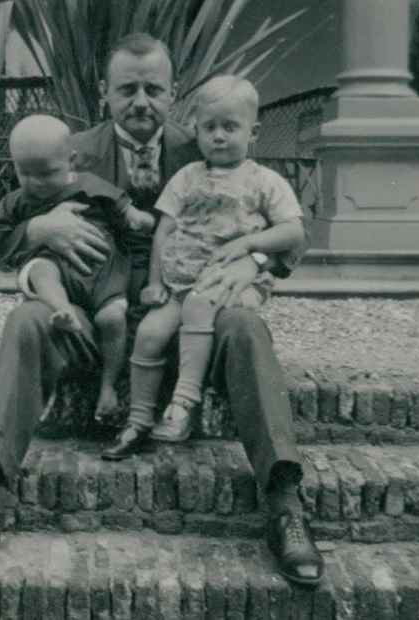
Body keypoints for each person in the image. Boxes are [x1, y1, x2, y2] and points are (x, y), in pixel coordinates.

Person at [0, 33, 324, 587]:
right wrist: (38, 228)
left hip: (188, 325)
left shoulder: (209, 144)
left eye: (153, 89)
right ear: (104, 93)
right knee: (25, 319)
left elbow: (289, 231)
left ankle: (285, 501)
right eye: (127, 90)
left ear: (174, 94)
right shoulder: (70, 151)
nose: (141, 102)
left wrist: (257, 259)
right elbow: (1, 230)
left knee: (244, 324)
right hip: (97, 321)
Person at [125, 75, 305, 445]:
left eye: (230, 127)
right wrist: (156, 282)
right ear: (196, 130)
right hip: (180, 284)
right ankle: (138, 416)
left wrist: (251, 245)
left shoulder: (264, 181)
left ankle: (183, 404)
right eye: (209, 128)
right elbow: (164, 230)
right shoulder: (187, 177)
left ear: (253, 132)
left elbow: (293, 233)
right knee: (149, 333)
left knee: (197, 305)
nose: (219, 136)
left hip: (229, 282)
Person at [0, 114, 154, 422]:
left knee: (113, 317)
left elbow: (123, 209)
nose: (35, 183)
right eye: (24, 172)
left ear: (71, 160)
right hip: (57, 268)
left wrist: (137, 218)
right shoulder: (17, 200)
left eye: (46, 173)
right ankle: (62, 310)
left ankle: (108, 387)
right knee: (42, 271)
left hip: (103, 271)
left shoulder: (89, 185)